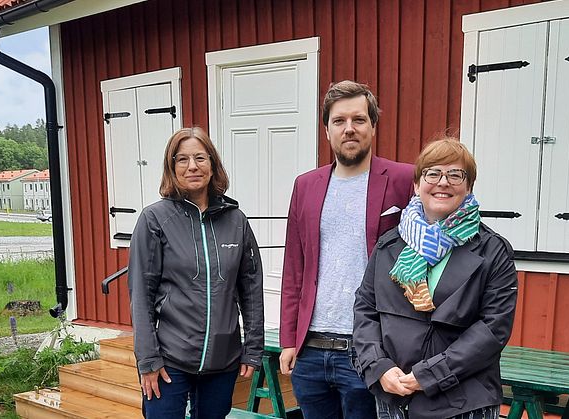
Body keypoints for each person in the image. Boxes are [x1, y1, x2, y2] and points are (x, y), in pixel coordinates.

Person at [352, 137, 518, 419]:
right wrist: (378, 366)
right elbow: (365, 311)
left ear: (468, 187)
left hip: (463, 403)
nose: (443, 182)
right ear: (417, 184)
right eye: (433, 173)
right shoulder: (389, 245)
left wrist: (428, 375)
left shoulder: (492, 250)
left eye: (455, 174)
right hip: (394, 399)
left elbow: (493, 329)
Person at [279, 80, 414, 419]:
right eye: (339, 121)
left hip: (372, 348)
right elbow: (295, 267)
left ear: (372, 126)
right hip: (311, 350)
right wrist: (288, 338)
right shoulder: (305, 185)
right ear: (327, 130)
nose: (349, 129)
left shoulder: (403, 179)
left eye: (359, 120)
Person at [128, 127, 264, 419]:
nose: (192, 166)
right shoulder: (155, 219)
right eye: (183, 159)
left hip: (223, 360)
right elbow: (141, 295)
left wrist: (253, 347)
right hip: (169, 360)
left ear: (213, 165)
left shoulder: (236, 220)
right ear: (171, 167)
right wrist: (148, 359)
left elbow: (251, 288)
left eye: (201, 158)